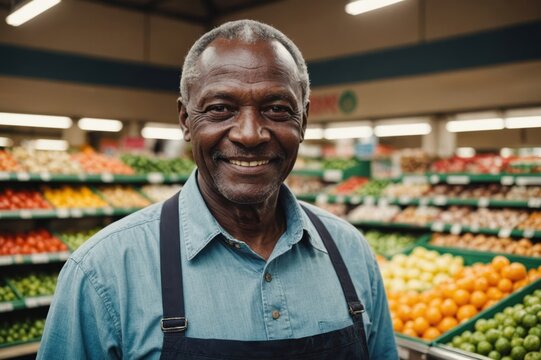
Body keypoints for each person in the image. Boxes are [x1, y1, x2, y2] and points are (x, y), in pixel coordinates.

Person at [38, 20, 398, 359]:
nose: (249, 134)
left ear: (303, 120)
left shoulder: (351, 254)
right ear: (185, 121)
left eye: (276, 109)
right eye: (221, 108)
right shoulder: (105, 271)